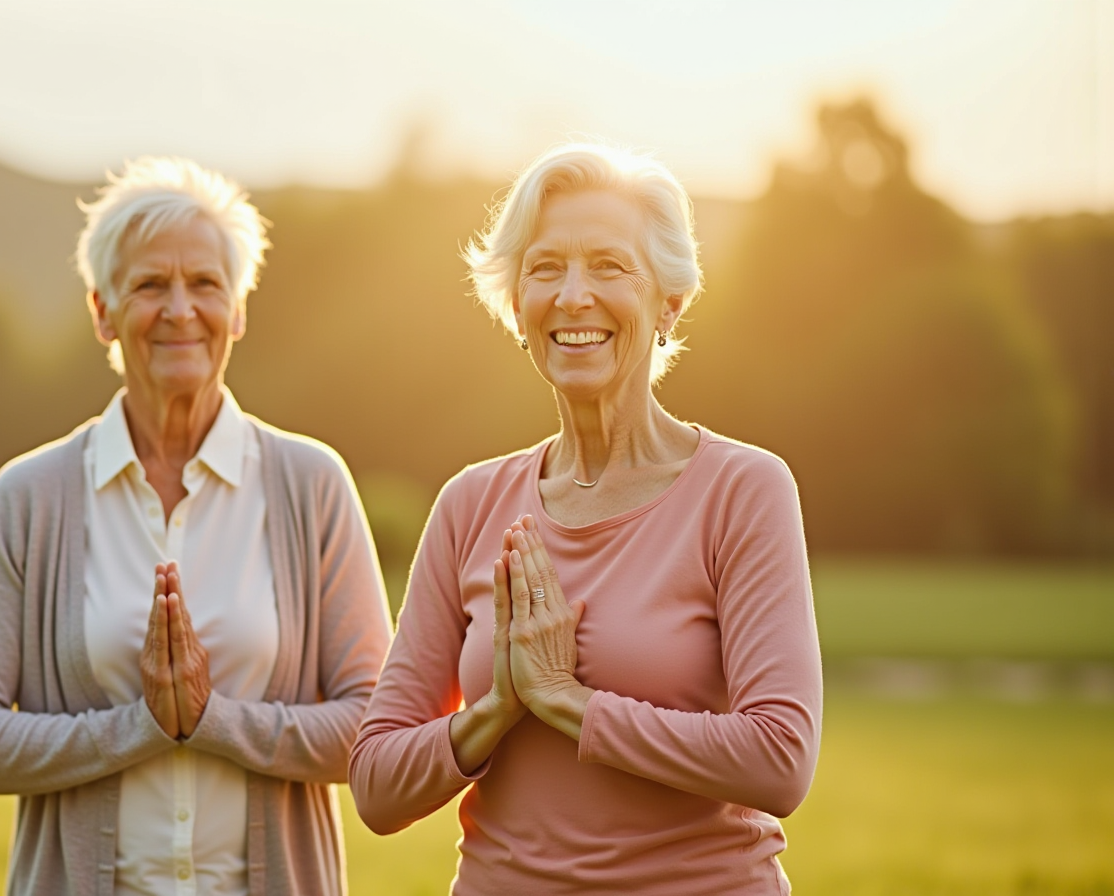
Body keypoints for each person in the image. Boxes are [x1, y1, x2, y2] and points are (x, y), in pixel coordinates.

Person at [349, 143, 823, 895]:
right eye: (545, 268)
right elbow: (375, 784)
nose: (573, 295)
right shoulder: (470, 504)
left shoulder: (743, 489)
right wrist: (498, 710)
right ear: (517, 304)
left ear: (669, 301)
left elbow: (779, 759)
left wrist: (569, 702)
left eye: (608, 266)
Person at [0, 157, 392, 896]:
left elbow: (377, 732)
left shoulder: (312, 486)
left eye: (206, 283)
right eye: (150, 285)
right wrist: (143, 725)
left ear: (239, 309)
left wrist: (211, 719)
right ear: (103, 312)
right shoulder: (31, 496)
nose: (181, 309)